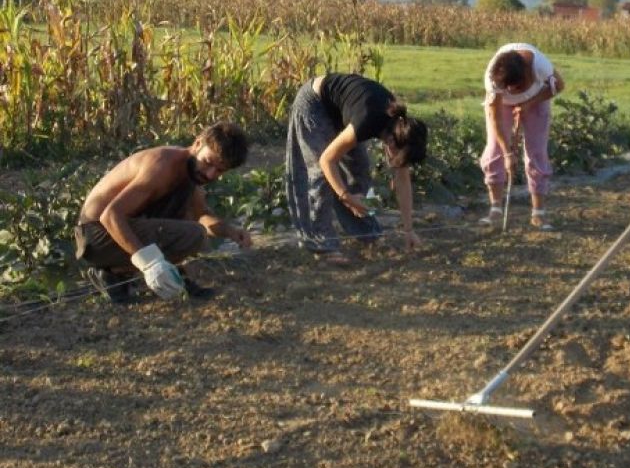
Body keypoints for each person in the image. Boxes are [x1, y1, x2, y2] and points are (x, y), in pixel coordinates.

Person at [75, 122, 252, 303]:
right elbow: (110, 216)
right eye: (208, 163)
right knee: (193, 234)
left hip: (116, 230)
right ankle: (114, 274)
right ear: (197, 144)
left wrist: (230, 231)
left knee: (190, 222)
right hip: (95, 234)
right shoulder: (163, 166)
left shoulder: (191, 173)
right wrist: (150, 264)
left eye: (220, 171)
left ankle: (124, 274)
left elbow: (201, 215)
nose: (210, 174)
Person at [285, 72, 428, 263]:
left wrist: (409, 230)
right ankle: (322, 245)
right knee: (319, 175)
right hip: (313, 103)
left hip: (342, 111)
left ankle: (367, 234)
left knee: (359, 170)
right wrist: (346, 197)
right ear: (391, 142)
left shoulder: (401, 128)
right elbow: (327, 161)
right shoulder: (368, 120)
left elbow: (402, 178)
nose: (397, 162)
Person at [478, 43, 565, 231]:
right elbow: (495, 117)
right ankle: (495, 210)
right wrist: (508, 153)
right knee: (495, 150)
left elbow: (559, 86)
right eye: (510, 88)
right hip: (503, 107)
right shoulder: (493, 77)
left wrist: (529, 103)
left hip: (537, 100)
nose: (515, 92)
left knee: (536, 152)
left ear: (527, 73)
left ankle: (538, 213)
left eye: (519, 87)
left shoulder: (540, 65)